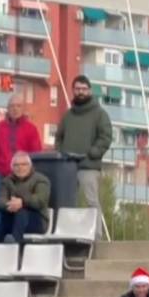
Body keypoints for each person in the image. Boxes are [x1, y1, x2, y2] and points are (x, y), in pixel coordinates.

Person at [54, 75, 113, 213]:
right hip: (68, 166)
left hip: (89, 166)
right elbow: (58, 137)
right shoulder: (67, 115)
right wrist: (60, 153)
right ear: (73, 91)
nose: (80, 92)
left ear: (90, 91)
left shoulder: (100, 114)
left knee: (91, 203)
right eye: (77, 89)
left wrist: (93, 153)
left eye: (84, 89)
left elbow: (106, 137)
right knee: (67, 203)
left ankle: (95, 235)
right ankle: (68, 233)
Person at [0, 152, 50, 243]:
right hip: (12, 216)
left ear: (30, 166)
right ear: (12, 167)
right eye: (16, 165)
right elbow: (0, 201)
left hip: (37, 221)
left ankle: (15, 242)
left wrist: (22, 202)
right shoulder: (7, 181)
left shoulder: (41, 180)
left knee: (21, 212)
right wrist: (11, 205)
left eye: (24, 164)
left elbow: (40, 201)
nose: (20, 168)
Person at [0, 93, 43, 178]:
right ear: (8, 109)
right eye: (12, 106)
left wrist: (27, 171)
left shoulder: (31, 129)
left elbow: (36, 153)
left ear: (23, 109)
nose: (15, 109)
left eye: (18, 106)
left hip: (24, 176)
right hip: (2, 174)